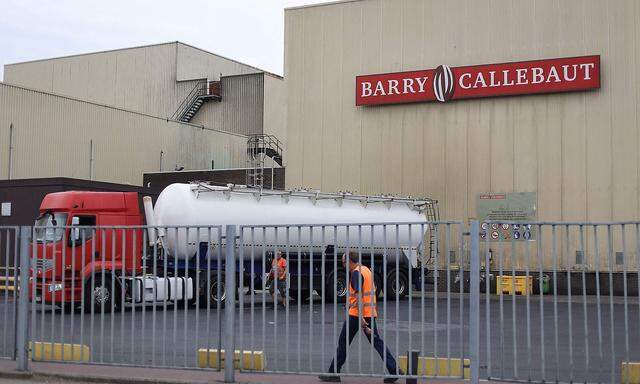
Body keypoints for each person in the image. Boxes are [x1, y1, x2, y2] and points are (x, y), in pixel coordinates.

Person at [319, 251, 403, 383]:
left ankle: (333, 373)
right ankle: (394, 370)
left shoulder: (356, 273)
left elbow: (359, 296)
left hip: (357, 315)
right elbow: (368, 291)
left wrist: (361, 319)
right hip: (369, 313)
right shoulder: (366, 270)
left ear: (349, 261)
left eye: (343, 262)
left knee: (343, 343)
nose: (343, 265)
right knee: (377, 342)